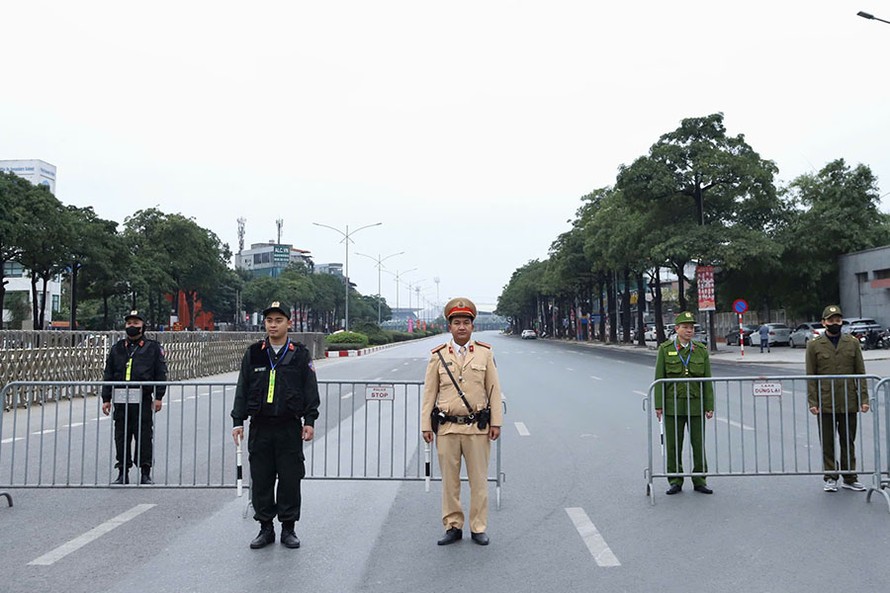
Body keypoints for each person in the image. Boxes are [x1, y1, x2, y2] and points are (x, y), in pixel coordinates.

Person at [231, 301, 320, 549]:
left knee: (290, 479)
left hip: (288, 426)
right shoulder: (254, 353)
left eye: (278, 320)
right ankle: (265, 528)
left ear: (288, 323)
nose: (273, 325)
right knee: (261, 479)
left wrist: (309, 420)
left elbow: (309, 389)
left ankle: (288, 528)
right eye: (269, 320)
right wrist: (238, 421)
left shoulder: (300, 354)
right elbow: (243, 388)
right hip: (260, 426)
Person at [421, 297, 503, 546]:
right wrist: (426, 425)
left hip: (477, 428)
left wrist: (496, 422)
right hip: (447, 428)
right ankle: (453, 525)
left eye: (466, 322)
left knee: (479, 481)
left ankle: (478, 527)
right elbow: (429, 393)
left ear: (472, 326)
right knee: (450, 482)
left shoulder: (485, 353)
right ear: (449, 326)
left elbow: (493, 389)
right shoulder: (438, 356)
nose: (461, 327)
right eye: (456, 322)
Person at [806, 305, 870, 493]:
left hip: (848, 399)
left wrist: (863, 399)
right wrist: (813, 402)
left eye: (838, 320)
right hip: (825, 401)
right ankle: (830, 476)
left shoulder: (852, 343)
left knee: (848, 440)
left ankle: (850, 477)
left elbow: (861, 372)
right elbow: (811, 376)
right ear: (824, 322)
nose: (835, 323)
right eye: (831, 320)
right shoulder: (814, 345)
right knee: (827, 441)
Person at [101, 311, 168, 485]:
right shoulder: (117, 348)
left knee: (144, 435)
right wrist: (106, 398)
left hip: (143, 398)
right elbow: (108, 374)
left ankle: (145, 472)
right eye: (129, 323)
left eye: (135, 323)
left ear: (143, 326)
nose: (132, 326)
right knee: (121, 436)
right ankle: (122, 472)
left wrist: (159, 396)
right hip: (121, 399)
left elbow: (160, 373)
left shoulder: (152, 347)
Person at [654, 311, 714, 495]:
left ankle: (700, 479)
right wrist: (659, 405)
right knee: (673, 445)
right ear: (676, 329)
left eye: (692, 327)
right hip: (673, 406)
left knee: (698, 443)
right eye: (685, 327)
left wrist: (709, 406)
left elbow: (707, 380)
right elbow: (659, 378)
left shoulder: (701, 350)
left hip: (695, 405)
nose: (689, 330)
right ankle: (675, 479)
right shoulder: (665, 349)